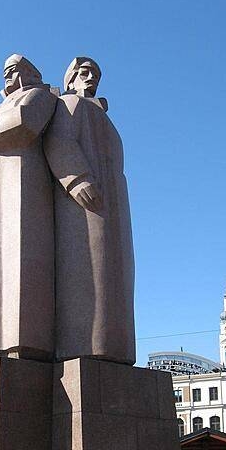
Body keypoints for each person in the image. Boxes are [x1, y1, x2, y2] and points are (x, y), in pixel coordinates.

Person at [0, 54, 57, 364]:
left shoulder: (41, 94)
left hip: (26, 188)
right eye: (4, 70)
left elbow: (26, 122)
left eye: (13, 69)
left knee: (21, 262)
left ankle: (21, 341)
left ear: (28, 72)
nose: (7, 75)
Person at [44, 57, 136, 364]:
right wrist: (76, 179)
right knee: (89, 271)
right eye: (83, 73)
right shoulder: (70, 104)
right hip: (83, 203)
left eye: (95, 74)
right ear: (70, 79)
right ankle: (84, 345)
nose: (90, 78)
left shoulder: (102, 116)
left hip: (113, 203)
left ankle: (115, 349)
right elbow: (59, 141)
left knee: (117, 274)